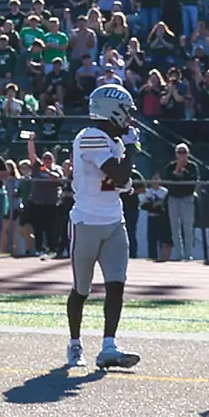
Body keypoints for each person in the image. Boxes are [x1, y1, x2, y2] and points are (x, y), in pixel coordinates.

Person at [65, 84, 141, 370]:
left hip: (113, 221)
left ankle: (109, 346)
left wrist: (126, 184)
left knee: (116, 286)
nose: (131, 118)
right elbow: (118, 174)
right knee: (81, 289)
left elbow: (114, 182)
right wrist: (131, 149)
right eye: (127, 112)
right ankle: (75, 344)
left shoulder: (111, 140)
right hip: (86, 222)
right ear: (113, 110)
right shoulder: (90, 137)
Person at [25, 136, 64, 256]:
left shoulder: (57, 169)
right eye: (45, 158)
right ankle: (39, 249)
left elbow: (57, 179)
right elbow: (32, 154)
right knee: (38, 228)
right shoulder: (37, 167)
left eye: (49, 158)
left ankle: (52, 249)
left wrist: (47, 171)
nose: (46, 160)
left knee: (51, 229)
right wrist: (30, 141)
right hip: (37, 203)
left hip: (51, 204)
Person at [166, 145, 199, 261]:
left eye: (183, 152)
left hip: (187, 198)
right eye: (179, 152)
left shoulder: (192, 166)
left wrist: (183, 172)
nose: (181, 155)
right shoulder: (170, 166)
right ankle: (178, 254)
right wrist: (177, 170)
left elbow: (193, 181)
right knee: (174, 227)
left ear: (188, 153)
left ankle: (188, 254)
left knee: (188, 227)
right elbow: (168, 182)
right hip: (173, 198)